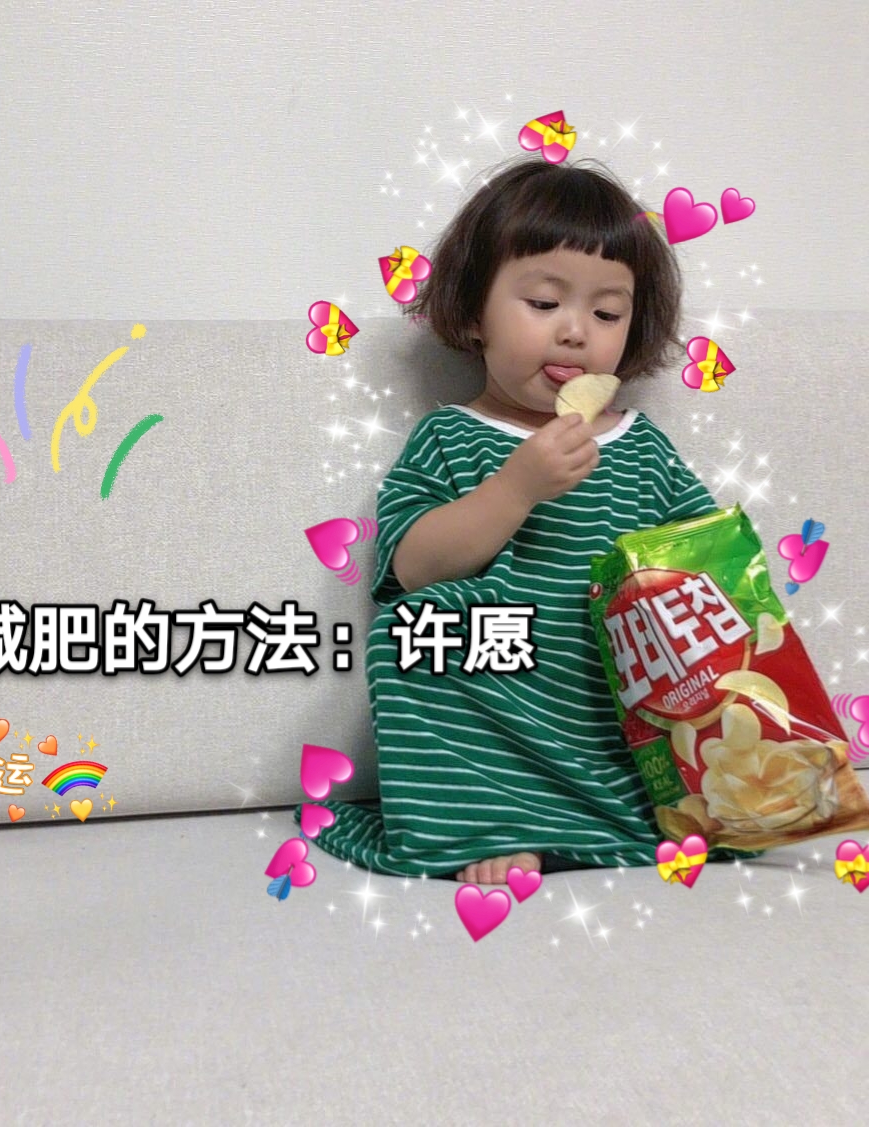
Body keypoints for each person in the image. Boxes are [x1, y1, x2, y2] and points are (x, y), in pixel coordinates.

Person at [297, 154, 719, 882]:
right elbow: (410, 567)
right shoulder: (450, 437)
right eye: (544, 303)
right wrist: (514, 489)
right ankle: (493, 823)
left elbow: (709, 568)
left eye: (606, 313)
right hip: (501, 689)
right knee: (420, 634)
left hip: (610, 700)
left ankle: (634, 816)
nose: (575, 332)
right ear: (473, 314)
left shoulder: (641, 446)